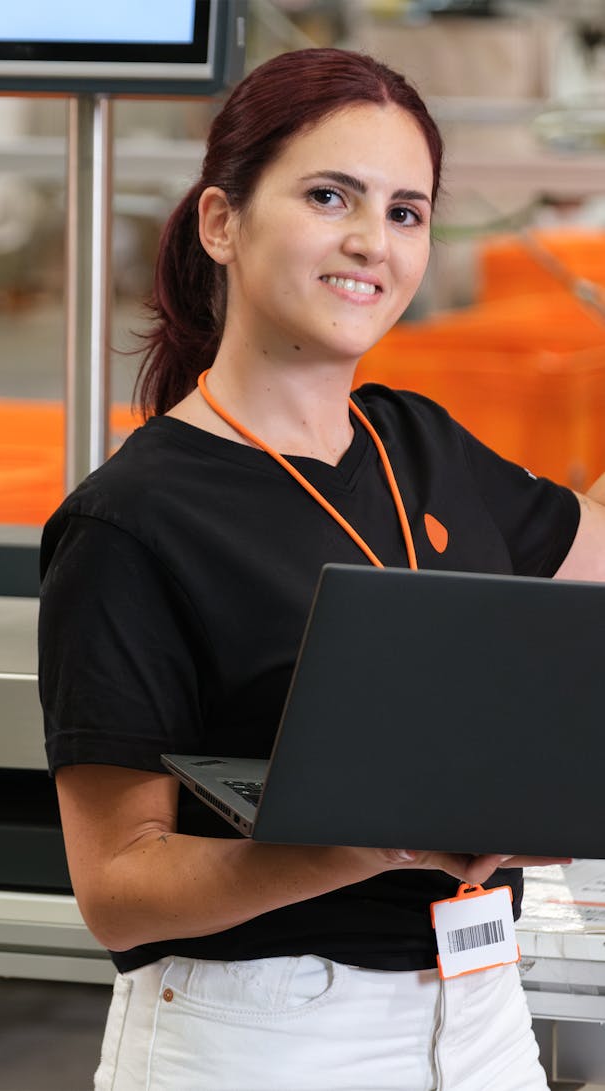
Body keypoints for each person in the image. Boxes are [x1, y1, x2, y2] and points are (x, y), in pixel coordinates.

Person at [38, 48, 605, 1091]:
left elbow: (594, 559)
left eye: (406, 211)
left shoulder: (417, 443)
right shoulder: (134, 519)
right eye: (329, 195)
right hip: (269, 1030)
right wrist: (368, 843)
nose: (369, 241)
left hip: (479, 1012)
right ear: (221, 221)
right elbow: (116, 884)